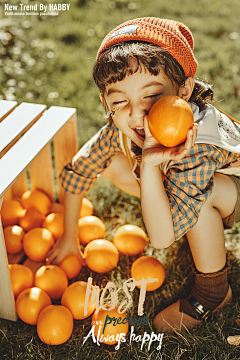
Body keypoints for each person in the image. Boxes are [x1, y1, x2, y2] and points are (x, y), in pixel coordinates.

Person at [47, 17, 240, 332]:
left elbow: (163, 238)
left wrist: (150, 165)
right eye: (120, 101)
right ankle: (186, 215)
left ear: (184, 90)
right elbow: (78, 171)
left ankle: (214, 291)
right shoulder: (122, 123)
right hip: (189, 181)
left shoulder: (196, 147)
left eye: (150, 96)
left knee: (202, 198)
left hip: (232, 189)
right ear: (106, 103)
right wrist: (69, 238)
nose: (136, 114)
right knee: (109, 162)